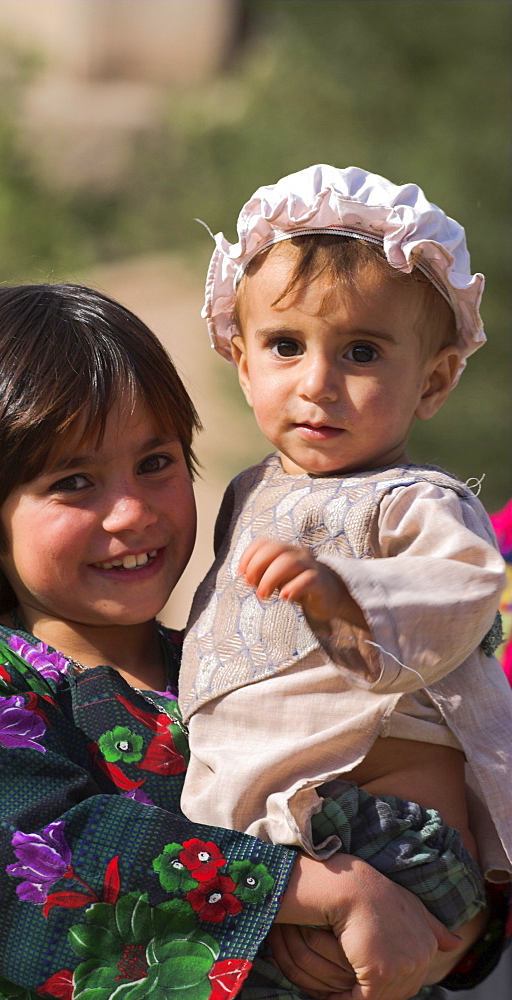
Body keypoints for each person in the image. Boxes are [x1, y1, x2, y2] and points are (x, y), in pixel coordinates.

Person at [0, 282, 460, 1000]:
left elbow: (394, 799)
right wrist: (313, 890)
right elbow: (14, 851)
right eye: (74, 482)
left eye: (156, 463)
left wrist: (436, 932)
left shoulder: (235, 667)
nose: (131, 512)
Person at [179, 165, 512, 997]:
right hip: (287, 840)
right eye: (286, 346)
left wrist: (344, 591)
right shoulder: (250, 495)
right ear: (241, 359)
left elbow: (467, 587)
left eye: (361, 352)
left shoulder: (415, 503)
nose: (318, 382)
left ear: (433, 380)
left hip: (390, 841)